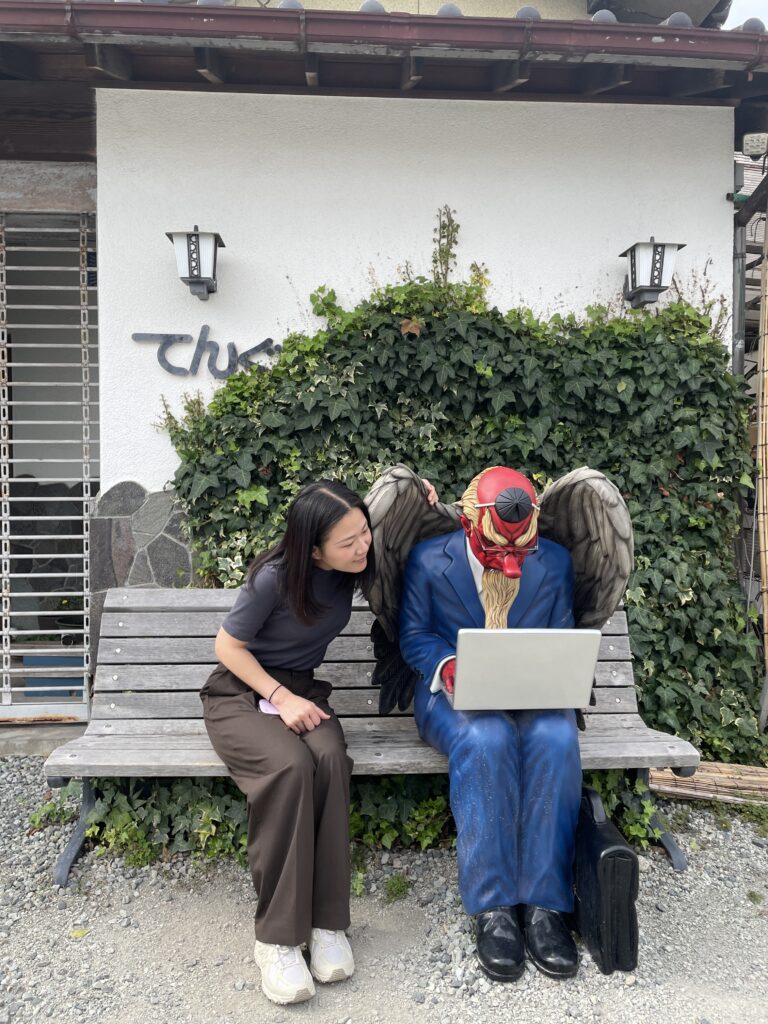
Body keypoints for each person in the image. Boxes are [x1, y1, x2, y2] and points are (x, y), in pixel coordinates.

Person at [201, 476, 437, 1006]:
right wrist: (281, 697)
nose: (362, 546)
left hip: (303, 690)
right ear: (313, 548)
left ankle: (328, 924)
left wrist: (417, 498)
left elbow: (401, 533)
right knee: (290, 767)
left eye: (363, 533)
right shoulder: (274, 579)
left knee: (330, 758)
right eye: (348, 541)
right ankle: (278, 939)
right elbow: (228, 646)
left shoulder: (355, 567)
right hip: (242, 694)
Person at [398, 466, 582, 983]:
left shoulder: (557, 562)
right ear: (471, 525)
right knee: (488, 737)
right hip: (451, 696)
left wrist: (552, 675)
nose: (511, 564)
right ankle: (494, 907)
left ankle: (546, 905)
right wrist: (446, 663)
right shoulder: (428, 561)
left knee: (556, 736)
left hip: (533, 693)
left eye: (521, 553)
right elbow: (412, 634)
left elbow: (561, 635)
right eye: (499, 552)